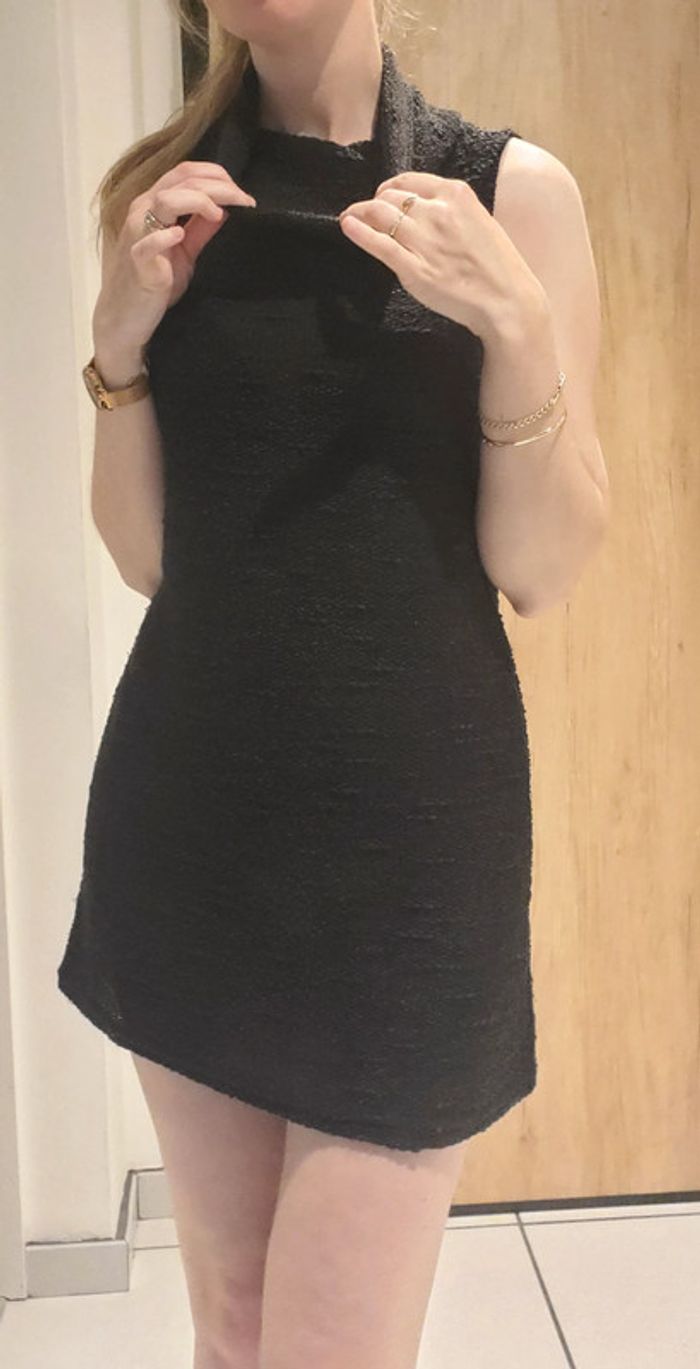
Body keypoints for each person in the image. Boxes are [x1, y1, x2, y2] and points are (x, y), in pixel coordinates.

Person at [58, 2, 610, 1366]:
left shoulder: (508, 194)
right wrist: (118, 349)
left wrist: (517, 333)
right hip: (191, 823)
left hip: (406, 850)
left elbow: (542, 568)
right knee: (234, 1326)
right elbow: (150, 560)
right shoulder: (168, 200)